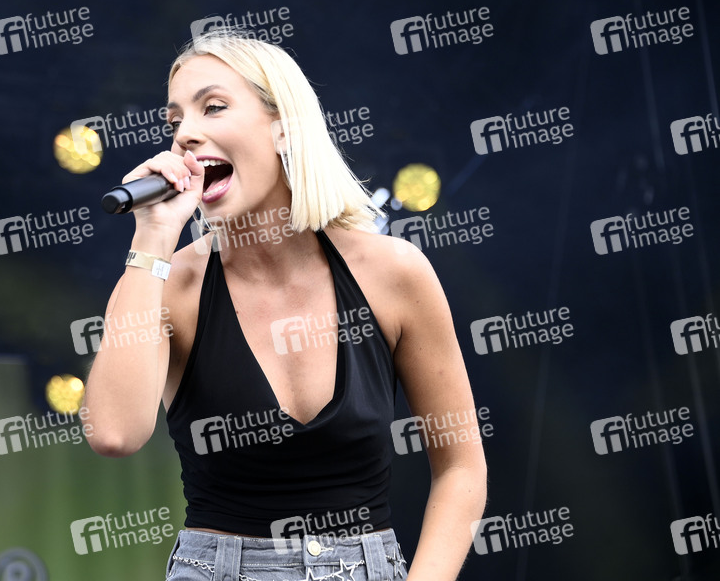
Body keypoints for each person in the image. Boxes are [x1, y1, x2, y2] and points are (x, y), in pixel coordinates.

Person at [83, 29, 487, 581]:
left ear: (284, 127)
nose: (186, 135)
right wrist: (152, 237)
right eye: (175, 122)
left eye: (213, 107)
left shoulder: (393, 272)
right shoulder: (169, 283)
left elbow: (461, 468)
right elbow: (113, 433)